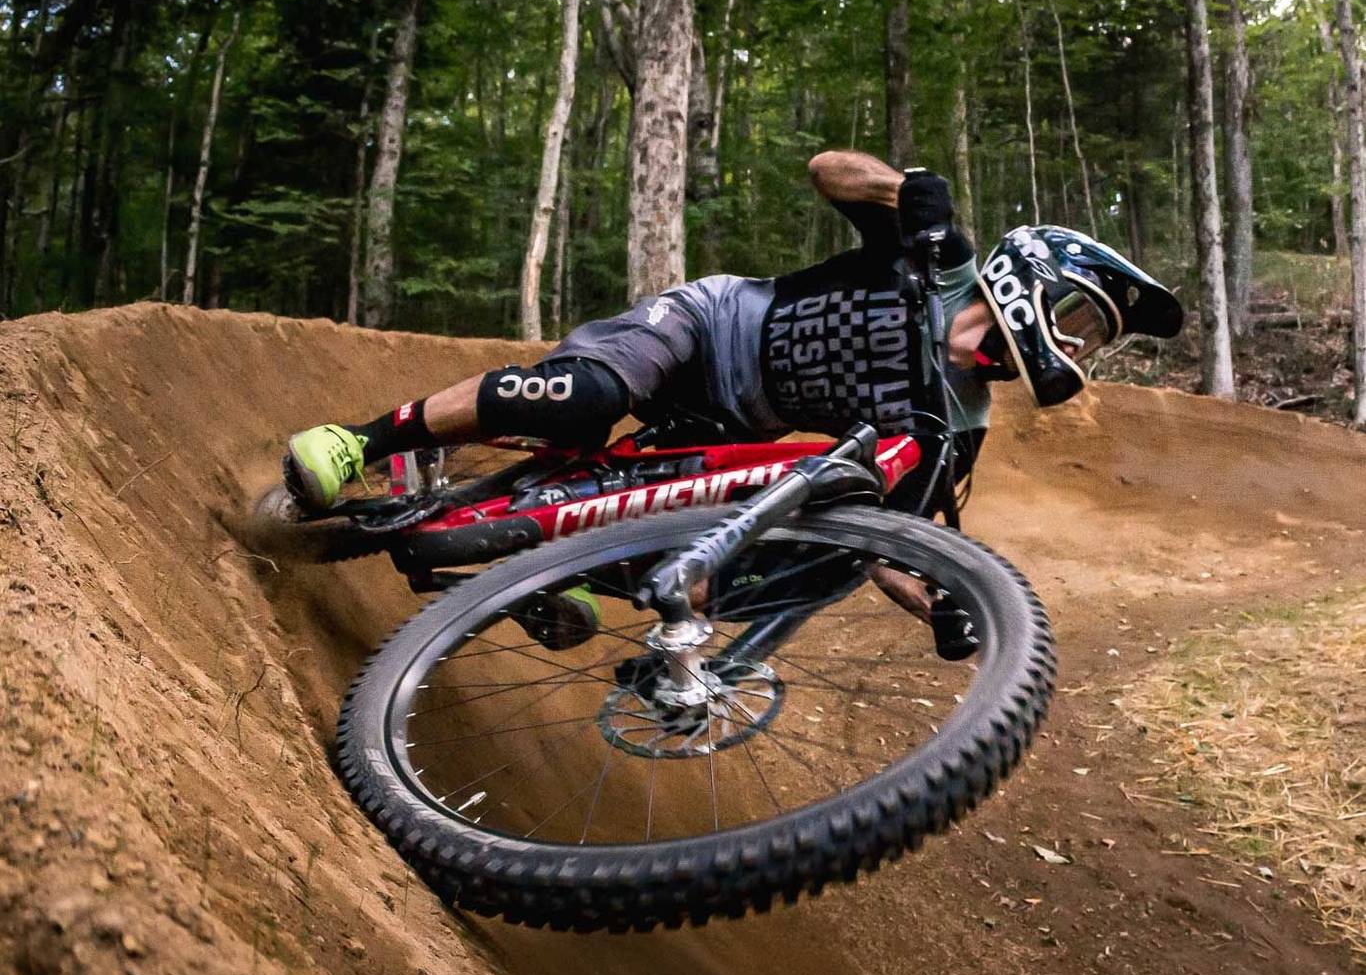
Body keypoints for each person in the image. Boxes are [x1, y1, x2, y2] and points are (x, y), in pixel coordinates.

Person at [284, 151, 1182, 654]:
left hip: (729, 426)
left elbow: (880, 543)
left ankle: (540, 563)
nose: (1071, 349)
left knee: (713, 534)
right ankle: (362, 442)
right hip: (705, 326)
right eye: (1079, 321)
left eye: (1090, 342)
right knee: (586, 397)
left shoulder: (954, 427)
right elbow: (825, 167)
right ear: (1033, 276)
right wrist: (900, 191)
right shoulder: (932, 256)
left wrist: (948, 605)